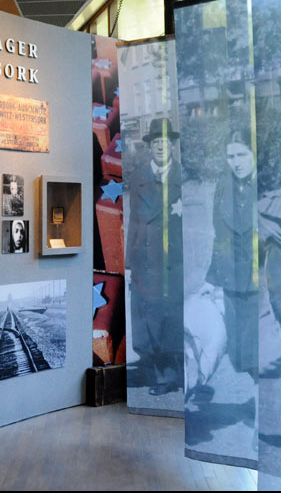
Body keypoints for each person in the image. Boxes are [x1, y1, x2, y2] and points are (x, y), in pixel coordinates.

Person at [126, 117, 184, 396]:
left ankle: (169, 375)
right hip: (144, 258)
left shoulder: (182, 177)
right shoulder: (139, 178)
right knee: (146, 315)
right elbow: (134, 223)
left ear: (172, 146)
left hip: (172, 261)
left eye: (165, 142)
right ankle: (157, 369)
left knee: (169, 315)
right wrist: (129, 263)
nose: (161, 147)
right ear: (150, 147)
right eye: (156, 143)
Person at [204, 128, 259, 378]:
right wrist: (216, 275)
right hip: (232, 272)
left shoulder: (265, 182)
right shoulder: (224, 185)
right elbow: (219, 230)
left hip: (260, 275)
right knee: (237, 344)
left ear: (254, 153)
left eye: (241, 155)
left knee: (257, 344)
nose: (236, 163)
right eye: (230, 157)